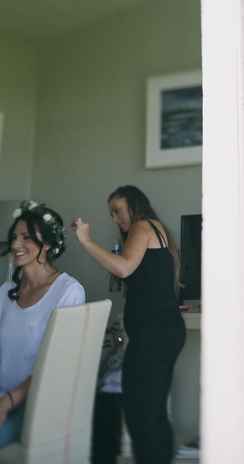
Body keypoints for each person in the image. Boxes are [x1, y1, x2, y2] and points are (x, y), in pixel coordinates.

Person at [71, 186, 185, 464]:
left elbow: (123, 268)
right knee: (155, 413)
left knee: (139, 418)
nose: (114, 218)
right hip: (165, 329)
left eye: (117, 210)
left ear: (133, 205)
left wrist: (85, 241)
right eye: (111, 212)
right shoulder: (157, 229)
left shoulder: (142, 225)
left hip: (153, 334)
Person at [0, 200, 86, 453]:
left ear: (48, 243)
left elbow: (58, 365)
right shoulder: (5, 292)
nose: (16, 245)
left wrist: (6, 403)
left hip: (36, 408)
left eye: (27, 238)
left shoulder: (68, 291)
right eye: (14, 237)